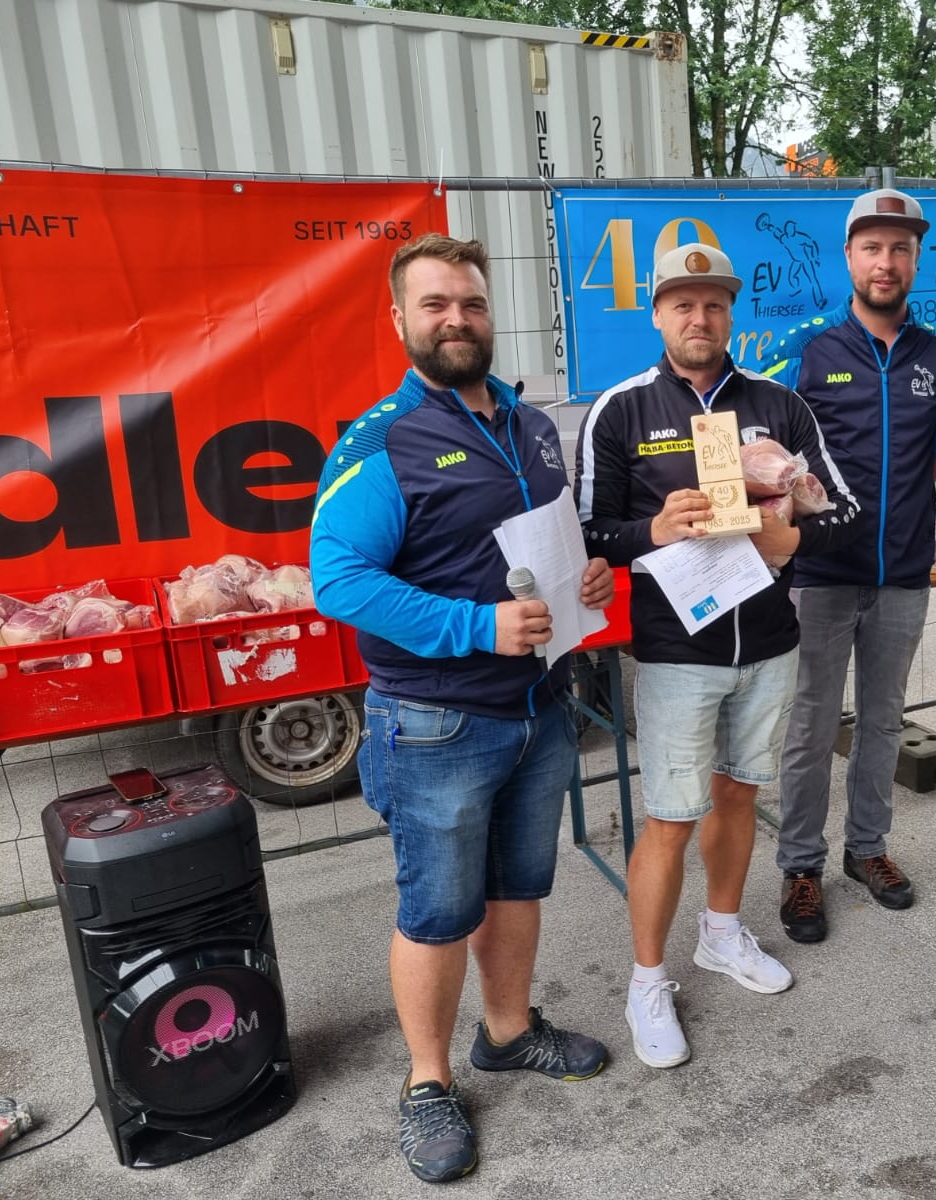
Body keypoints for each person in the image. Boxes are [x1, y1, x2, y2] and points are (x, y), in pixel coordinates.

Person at [311, 233, 614, 1184]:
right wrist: (477, 626)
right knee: (438, 909)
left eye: (472, 303)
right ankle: (428, 1083)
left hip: (540, 707)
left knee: (519, 887)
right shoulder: (382, 440)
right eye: (435, 304)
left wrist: (586, 576)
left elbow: (542, 542)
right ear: (399, 320)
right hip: (436, 720)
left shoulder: (531, 426)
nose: (457, 319)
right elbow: (338, 579)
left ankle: (509, 1031)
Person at [574, 241, 860, 1068]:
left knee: (738, 797)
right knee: (670, 817)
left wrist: (790, 536)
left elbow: (841, 509)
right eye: (682, 304)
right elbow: (588, 532)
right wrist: (653, 529)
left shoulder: (779, 404)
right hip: (676, 651)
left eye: (713, 304)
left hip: (768, 645)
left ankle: (722, 934)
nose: (699, 318)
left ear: (731, 314)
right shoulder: (620, 410)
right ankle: (646, 981)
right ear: (657, 314)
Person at [762, 189, 936, 943]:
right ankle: (801, 865)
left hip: (902, 573)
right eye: (873, 247)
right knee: (811, 726)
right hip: (820, 575)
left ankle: (867, 849)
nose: (887, 262)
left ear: (916, 258)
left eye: (900, 248)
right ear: (848, 256)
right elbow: (767, 454)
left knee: (883, 721)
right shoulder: (807, 348)